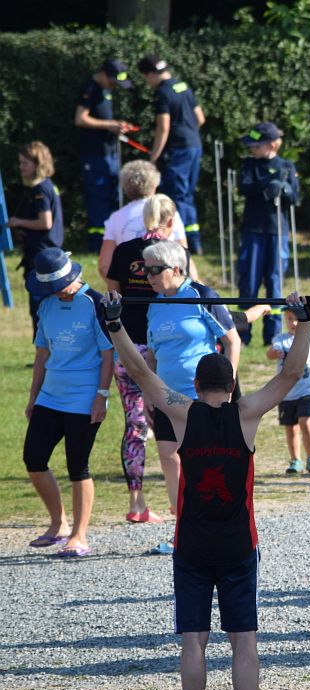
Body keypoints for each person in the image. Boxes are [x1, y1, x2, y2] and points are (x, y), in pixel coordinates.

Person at [99, 289, 310, 690]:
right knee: (243, 640)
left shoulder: (182, 412)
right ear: (232, 385)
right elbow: (291, 373)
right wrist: (303, 322)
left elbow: (139, 371)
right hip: (238, 544)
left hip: (192, 545)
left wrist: (114, 324)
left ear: (196, 386)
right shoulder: (247, 413)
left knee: (193, 641)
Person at [23, 249, 113, 558]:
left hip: (85, 397)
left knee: (78, 464)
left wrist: (102, 395)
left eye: (58, 285)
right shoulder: (47, 305)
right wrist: (33, 398)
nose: (55, 291)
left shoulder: (95, 304)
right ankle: (58, 523)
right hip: (50, 395)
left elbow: (108, 355)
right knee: (34, 458)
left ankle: (79, 534)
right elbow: (42, 354)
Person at [143, 241, 241, 524]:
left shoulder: (201, 295)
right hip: (165, 395)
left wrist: (227, 387)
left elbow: (232, 341)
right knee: (168, 456)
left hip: (202, 394)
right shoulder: (154, 305)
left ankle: (213, 517)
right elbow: (152, 355)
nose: (149, 276)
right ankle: (183, 523)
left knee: (204, 460)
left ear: (176, 269)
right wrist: (148, 394)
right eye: (146, 270)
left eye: (155, 270)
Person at [105, 193, 186, 524]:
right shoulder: (173, 254)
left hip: (127, 346)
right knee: (177, 423)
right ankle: (182, 500)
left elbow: (112, 294)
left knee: (135, 424)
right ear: (170, 221)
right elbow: (187, 292)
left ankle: (136, 502)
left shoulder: (124, 251)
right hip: (163, 348)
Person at [237, 122, 301, 346]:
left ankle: (272, 336)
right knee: (249, 282)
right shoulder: (249, 165)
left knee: (274, 281)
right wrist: (267, 183)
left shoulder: (286, 166)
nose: (252, 149)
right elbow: (244, 187)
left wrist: (285, 189)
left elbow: (296, 198)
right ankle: (243, 335)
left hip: (277, 231)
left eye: (256, 146)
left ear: (272, 145)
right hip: (253, 230)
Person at [138, 55, 206, 254]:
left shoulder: (163, 92)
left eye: (145, 77)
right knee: (187, 194)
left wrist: (154, 157)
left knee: (176, 195)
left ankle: (183, 242)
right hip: (194, 145)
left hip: (178, 149)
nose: (147, 82)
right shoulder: (183, 86)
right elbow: (200, 118)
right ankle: (195, 240)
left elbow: (163, 127)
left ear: (151, 74)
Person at [74, 59, 134, 252]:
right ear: (104, 74)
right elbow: (80, 118)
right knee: (98, 198)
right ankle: (97, 244)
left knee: (113, 195)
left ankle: (112, 239)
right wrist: (109, 125)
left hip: (109, 152)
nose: (114, 86)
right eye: (113, 82)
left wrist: (117, 125)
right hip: (94, 154)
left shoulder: (106, 89)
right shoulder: (90, 88)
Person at [97, 160, 190, 281]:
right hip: (167, 284)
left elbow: (104, 266)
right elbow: (184, 258)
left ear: (125, 188)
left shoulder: (115, 218)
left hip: (131, 284)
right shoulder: (169, 212)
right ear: (154, 186)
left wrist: (122, 287)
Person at [8, 142, 65, 335]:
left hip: (41, 257)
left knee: (40, 308)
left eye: (25, 163)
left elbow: (45, 222)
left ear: (38, 163)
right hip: (49, 255)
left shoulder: (40, 190)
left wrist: (17, 222)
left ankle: (42, 348)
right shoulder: (49, 186)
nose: (20, 167)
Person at [268, 308, 310, 475]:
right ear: (285, 320)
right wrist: (273, 353)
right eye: (289, 318)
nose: (293, 322)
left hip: (306, 389)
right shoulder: (280, 340)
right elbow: (270, 354)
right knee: (291, 428)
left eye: (297, 319)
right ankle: (295, 460)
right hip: (285, 392)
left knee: (305, 422)